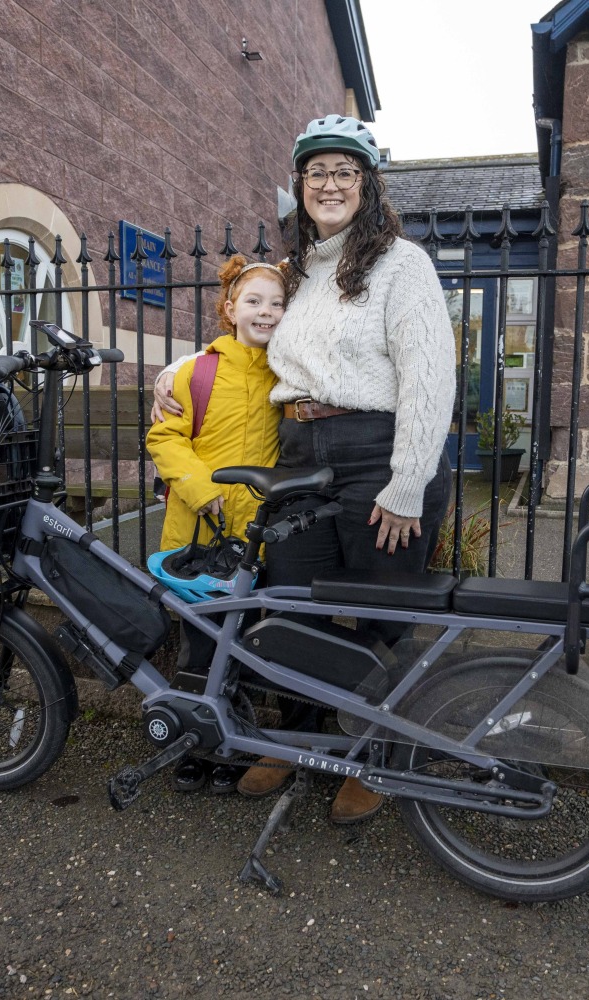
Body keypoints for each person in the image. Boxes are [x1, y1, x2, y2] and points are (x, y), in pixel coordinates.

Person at [153, 114, 455, 823]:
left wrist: (407, 483)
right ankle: (293, 741)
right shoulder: (295, 274)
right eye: (316, 172)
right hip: (298, 455)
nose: (329, 184)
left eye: (344, 172)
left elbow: (429, 376)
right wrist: (177, 367)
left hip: (376, 456)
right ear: (299, 185)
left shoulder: (400, 264)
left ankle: (377, 756)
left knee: (384, 616)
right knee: (289, 604)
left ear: (367, 184)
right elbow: (246, 338)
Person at [146, 255, 286, 794]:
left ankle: (236, 743)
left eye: (277, 303)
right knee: (199, 646)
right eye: (253, 301)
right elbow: (164, 437)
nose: (265, 311)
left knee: (248, 646)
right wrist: (201, 490)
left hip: (255, 544)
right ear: (230, 309)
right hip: (199, 538)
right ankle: (192, 746)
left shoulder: (287, 372)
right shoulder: (196, 371)